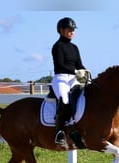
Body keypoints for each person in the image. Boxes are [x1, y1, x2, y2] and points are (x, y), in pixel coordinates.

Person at [51, 17, 89, 145]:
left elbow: (79, 64)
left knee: (82, 99)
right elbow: (60, 65)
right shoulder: (57, 46)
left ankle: (76, 128)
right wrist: (76, 71)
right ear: (61, 30)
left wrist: (85, 71)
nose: (72, 31)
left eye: (73, 29)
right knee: (65, 100)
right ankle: (59, 132)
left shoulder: (75, 47)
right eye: (69, 29)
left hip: (73, 79)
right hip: (61, 79)